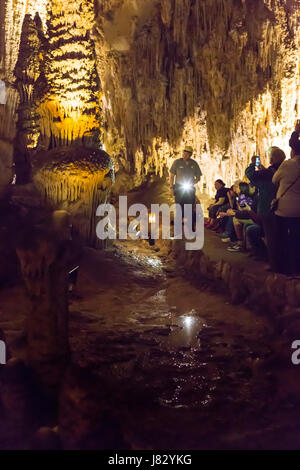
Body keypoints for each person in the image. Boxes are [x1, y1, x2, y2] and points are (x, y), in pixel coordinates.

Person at [245, 147, 286, 269]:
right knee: (279, 236)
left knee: (271, 237)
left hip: (268, 208)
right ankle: (281, 262)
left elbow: (250, 174)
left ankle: (274, 264)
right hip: (282, 208)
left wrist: (254, 163)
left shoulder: (268, 173)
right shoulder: (283, 170)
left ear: (272, 159)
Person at [271, 122, 300, 275]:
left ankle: (281, 270)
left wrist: (296, 132)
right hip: (299, 212)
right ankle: (297, 270)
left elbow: (275, 180)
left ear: (294, 151)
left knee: (280, 239)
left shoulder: (288, 164)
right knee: (297, 240)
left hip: (284, 211)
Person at [169, 146, 202, 221]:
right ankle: (179, 221)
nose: (184, 155)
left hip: (189, 187)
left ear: (190, 155)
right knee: (179, 205)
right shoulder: (177, 162)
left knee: (189, 204)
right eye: (184, 153)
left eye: (187, 154)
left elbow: (198, 177)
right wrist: (171, 187)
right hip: (179, 187)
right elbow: (171, 176)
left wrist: (193, 181)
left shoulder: (194, 164)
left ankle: (189, 222)